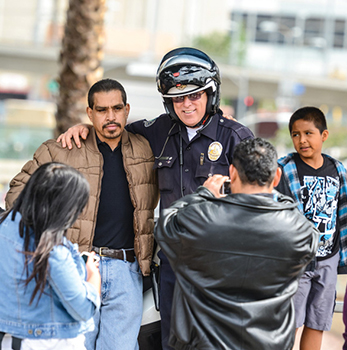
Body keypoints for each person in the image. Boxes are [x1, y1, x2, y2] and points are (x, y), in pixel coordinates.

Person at [56, 47, 254, 349]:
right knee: (172, 342)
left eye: (195, 95)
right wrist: (84, 127)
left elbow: (261, 203)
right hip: (173, 262)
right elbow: (111, 129)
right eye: (177, 98)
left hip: (222, 266)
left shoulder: (235, 137)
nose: (186, 105)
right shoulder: (156, 132)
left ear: (211, 94)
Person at [5, 79, 159, 350]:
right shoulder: (62, 149)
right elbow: (17, 195)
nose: (110, 117)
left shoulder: (146, 149)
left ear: (127, 109)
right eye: (101, 110)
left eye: (117, 108)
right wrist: (53, 239)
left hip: (127, 270)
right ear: (89, 113)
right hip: (76, 265)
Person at [154, 138, 318, 350]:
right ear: (276, 176)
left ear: (232, 172)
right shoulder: (297, 231)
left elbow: (167, 223)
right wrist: (275, 196)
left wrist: (204, 194)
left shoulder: (200, 220)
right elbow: (310, 234)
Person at [0, 162, 101, 350]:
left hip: (9, 339)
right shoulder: (51, 249)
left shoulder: (5, 227)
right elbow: (83, 309)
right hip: (48, 342)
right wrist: (92, 275)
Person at [275, 106, 347, 350]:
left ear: (324, 135)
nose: (302, 140)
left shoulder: (337, 169)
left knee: (317, 323)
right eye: (295, 134)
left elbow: (343, 213)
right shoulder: (284, 168)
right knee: (289, 324)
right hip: (296, 261)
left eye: (308, 133)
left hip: (328, 259)